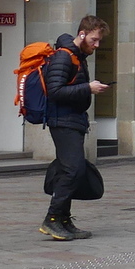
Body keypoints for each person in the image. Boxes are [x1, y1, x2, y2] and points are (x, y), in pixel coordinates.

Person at [39, 16, 112, 241]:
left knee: (68, 169)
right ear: (82, 34)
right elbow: (55, 91)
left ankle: (64, 220)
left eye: (99, 41)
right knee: (73, 169)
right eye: (94, 40)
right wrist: (88, 88)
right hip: (62, 121)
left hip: (73, 120)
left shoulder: (78, 56)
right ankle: (52, 219)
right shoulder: (63, 56)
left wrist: (87, 88)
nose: (97, 45)